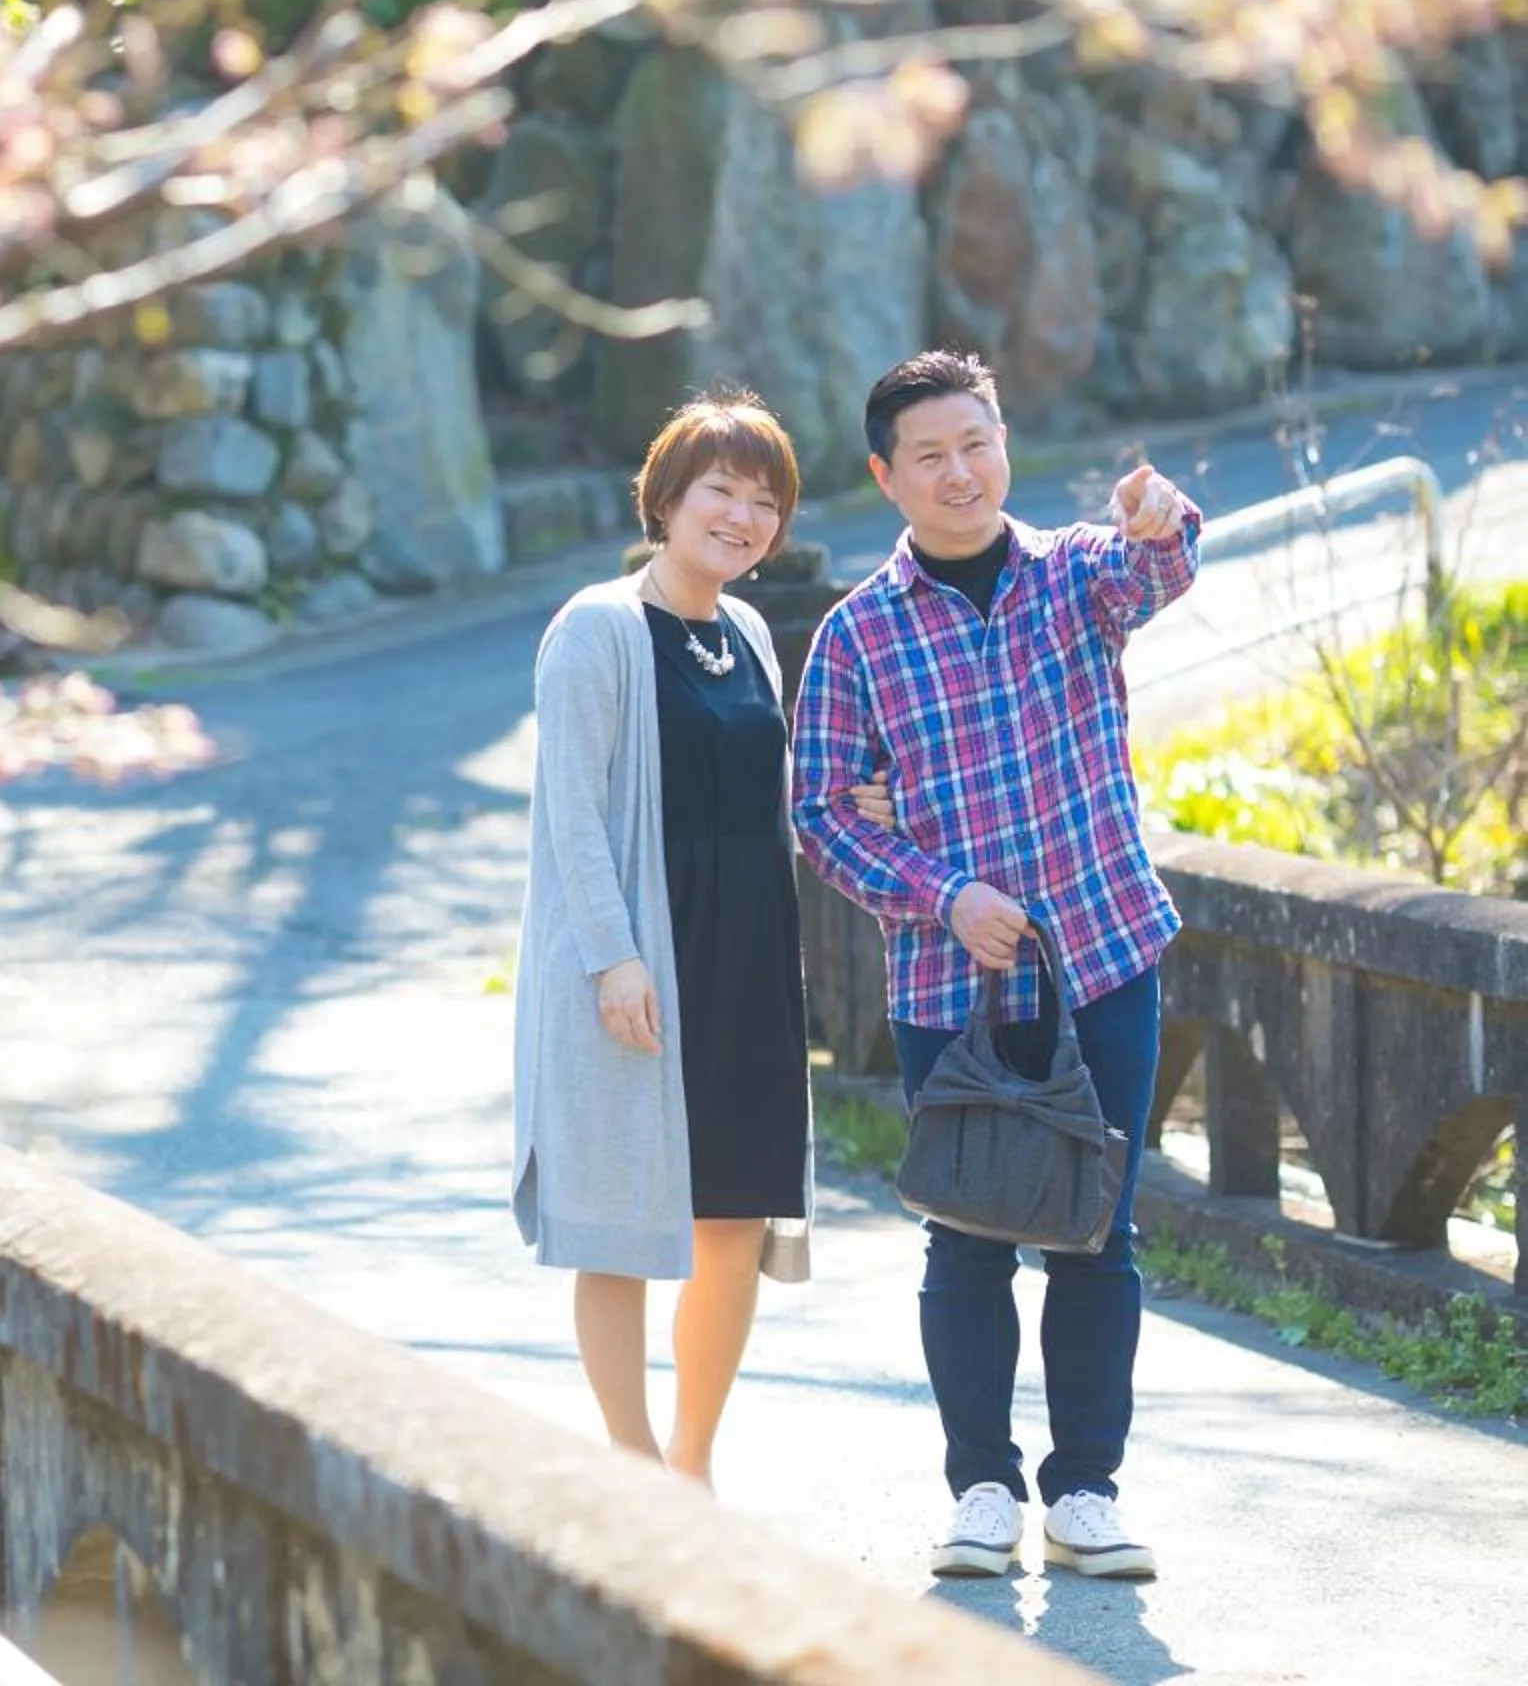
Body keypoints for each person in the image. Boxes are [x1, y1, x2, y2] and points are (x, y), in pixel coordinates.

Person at [790, 349, 1199, 1584]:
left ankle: (1086, 1489)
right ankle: (980, 1485)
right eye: (931, 452)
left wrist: (1160, 516)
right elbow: (819, 809)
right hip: (946, 985)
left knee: (1095, 1230)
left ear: (1003, 444)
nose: (960, 470)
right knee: (964, 1234)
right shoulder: (861, 632)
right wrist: (941, 894)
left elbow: (1159, 566)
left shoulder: (1076, 571)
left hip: (1103, 955)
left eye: (978, 441)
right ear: (886, 475)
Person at [511, 387, 888, 1489]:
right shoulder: (596, 627)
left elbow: (751, 785)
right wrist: (611, 956)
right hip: (644, 956)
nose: (741, 514)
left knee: (732, 1221)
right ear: (666, 498)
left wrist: (848, 803)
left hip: (749, 957)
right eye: (719, 489)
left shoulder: (752, 635)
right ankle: (632, 1467)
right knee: (622, 1223)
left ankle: (692, 1463)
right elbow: (572, 808)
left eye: (764, 500)